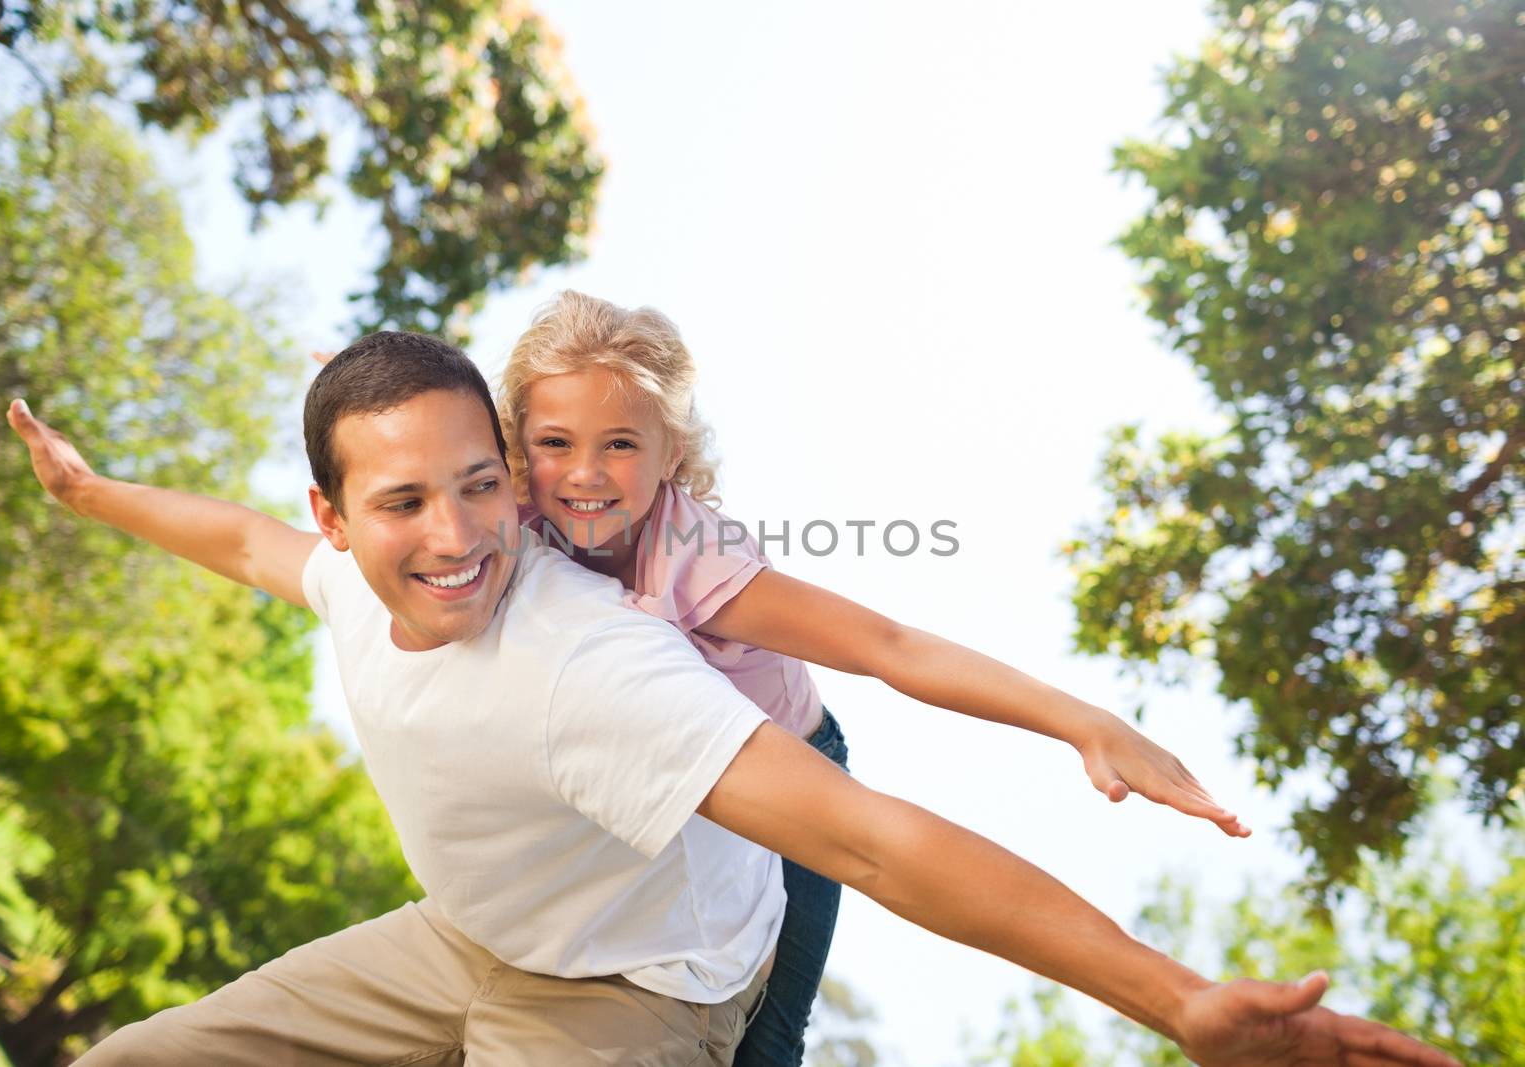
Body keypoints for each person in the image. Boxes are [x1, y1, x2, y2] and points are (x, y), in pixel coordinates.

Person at [7, 330, 1456, 1067]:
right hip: (471, 930)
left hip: (638, 982)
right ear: (337, 515)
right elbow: (240, 539)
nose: (456, 533)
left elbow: (877, 815)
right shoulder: (340, 571)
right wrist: (91, 492)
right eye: (405, 501)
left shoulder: (606, 652)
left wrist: (1178, 993)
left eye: (480, 485)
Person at [491, 290, 1249, 1066]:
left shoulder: (695, 558)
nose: (584, 472)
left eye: (620, 443)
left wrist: (1084, 720)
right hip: (679, 784)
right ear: (517, 444)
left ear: (671, 456)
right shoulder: (511, 518)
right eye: (555, 441)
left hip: (796, 762)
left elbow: (889, 646)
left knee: (770, 1036)